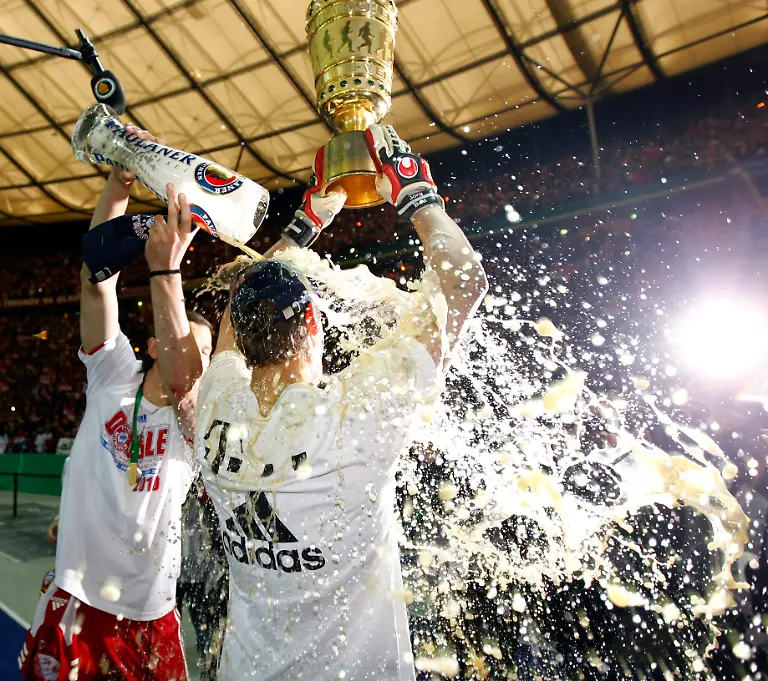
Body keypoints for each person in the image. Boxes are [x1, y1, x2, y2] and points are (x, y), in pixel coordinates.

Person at [195, 124, 488, 680]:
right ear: (312, 320)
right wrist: (415, 192)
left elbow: (240, 302)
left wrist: (304, 228)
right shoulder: (349, 414)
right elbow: (463, 281)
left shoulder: (218, 403)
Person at [19, 125, 213, 681]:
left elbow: (184, 386)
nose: (195, 363)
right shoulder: (113, 374)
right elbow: (95, 277)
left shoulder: (196, 420)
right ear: (153, 343)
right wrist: (123, 173)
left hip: (151, 618)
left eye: (202, 356)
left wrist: (167, 268)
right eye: (187, 346)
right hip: (77, 606)